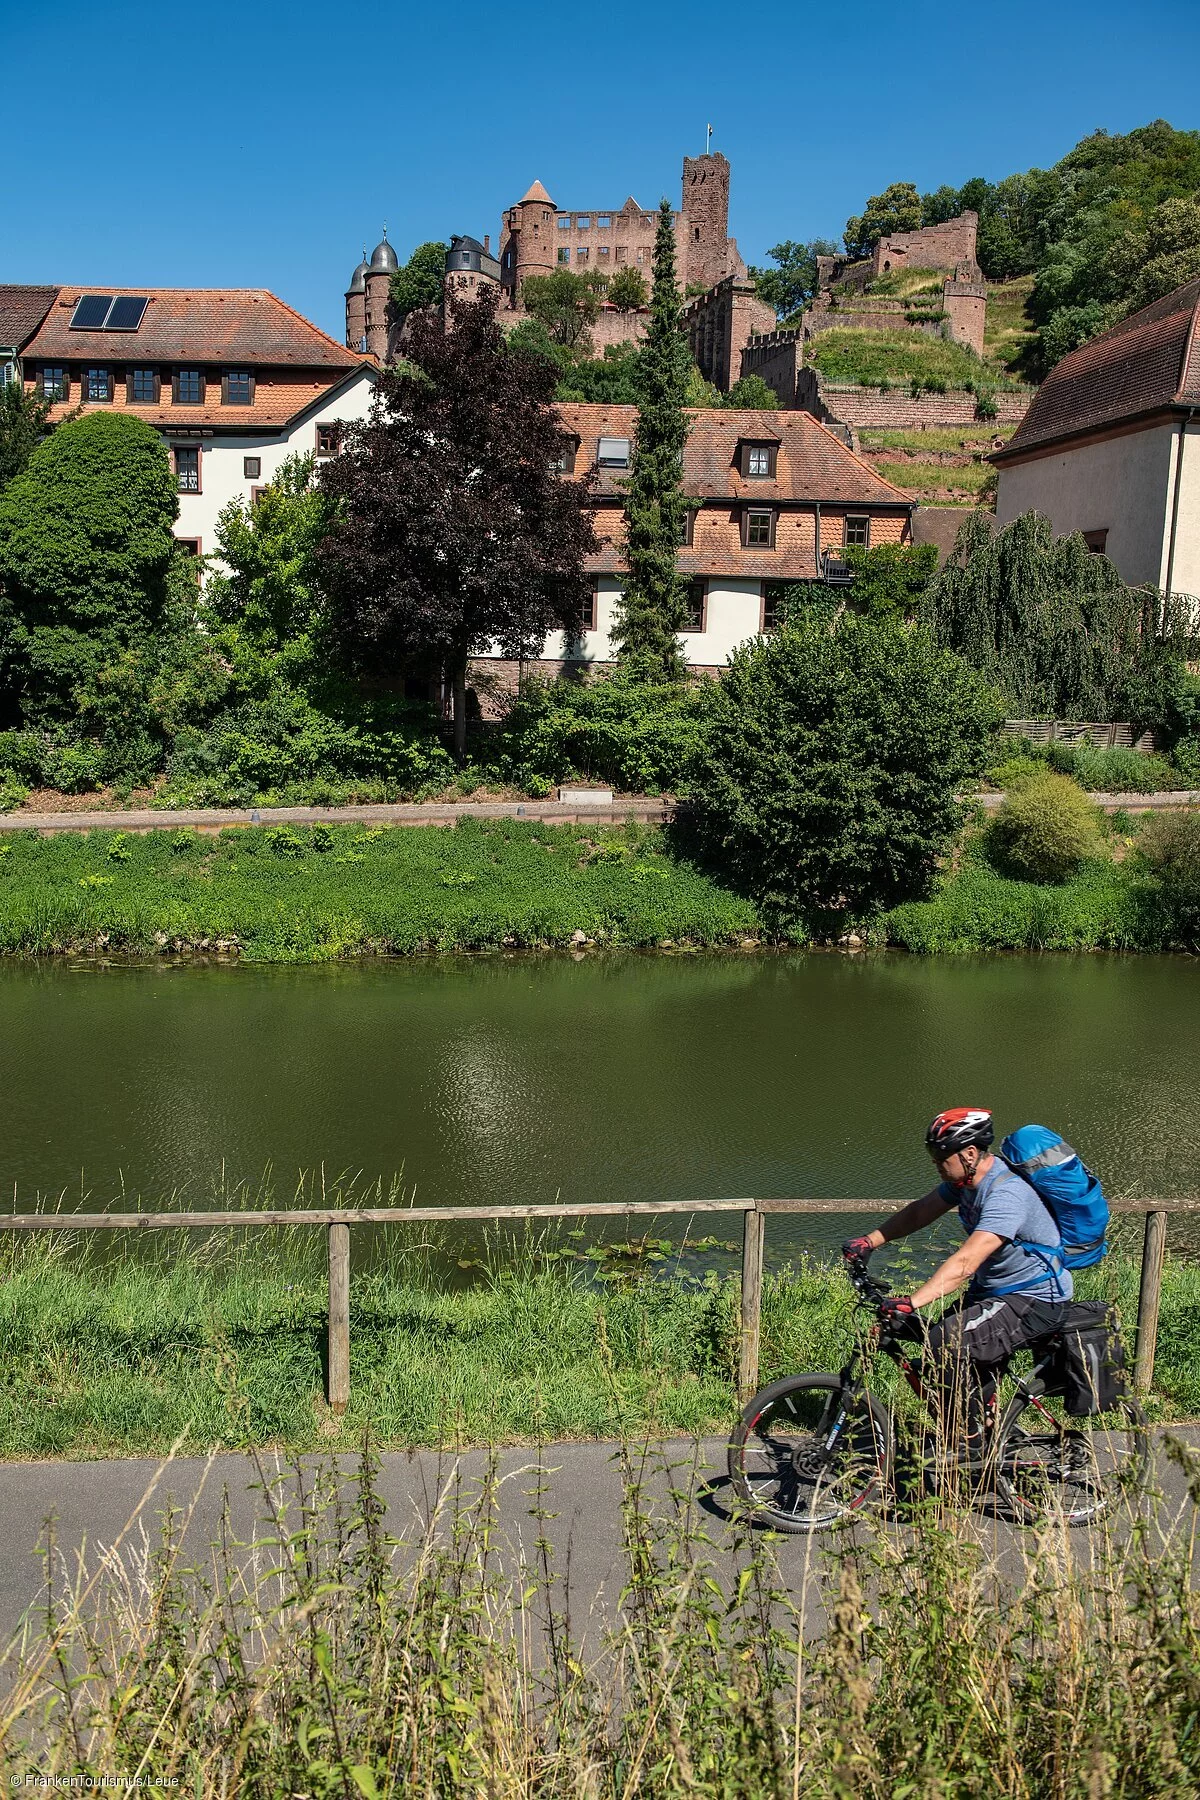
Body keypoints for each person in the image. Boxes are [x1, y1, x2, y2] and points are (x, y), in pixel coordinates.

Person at [842, 1107, 1072, 1447]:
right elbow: (921, 1211)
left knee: (943, 1344)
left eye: (941, 1156)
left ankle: (969, 1439)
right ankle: (980, 1425)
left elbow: (965, 1263)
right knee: (931, 1336)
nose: (935, 1163)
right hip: (996, 1292)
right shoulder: (965, 1184)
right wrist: (870, 1241)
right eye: (932, 1154)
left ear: (969, 1153)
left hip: (1035, 1298)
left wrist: (912, 1301)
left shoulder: (1006, 1194)